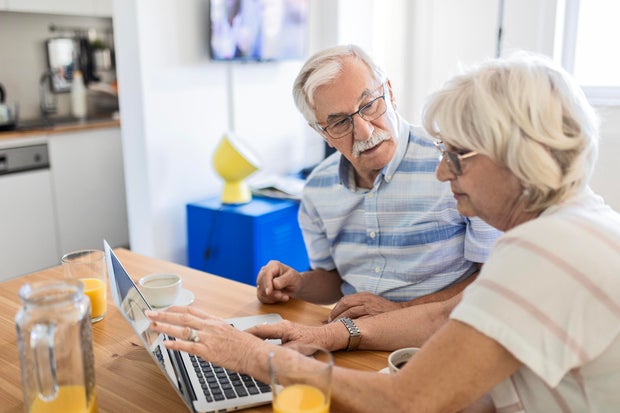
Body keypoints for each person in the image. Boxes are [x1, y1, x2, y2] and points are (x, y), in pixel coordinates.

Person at [147, 52, 620, 412]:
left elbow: (406, 400)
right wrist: (328, 334)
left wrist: (259, 359)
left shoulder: (547, 252)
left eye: (456, 156)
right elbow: (445, 318)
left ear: (519, 157)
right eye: (337, 122)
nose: (441, 173)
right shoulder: (564, 229)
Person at [256, 44, 501, 325]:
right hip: (352, 339)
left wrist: (400, 312)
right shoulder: (317, 190)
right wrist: (296, 283)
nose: (364, 131)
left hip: (438, 339)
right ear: (321, 132)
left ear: (390, 92)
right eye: (339, 123)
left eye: (370, 105)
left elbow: (493, 278)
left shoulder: (456, 164)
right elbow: (333, 281)